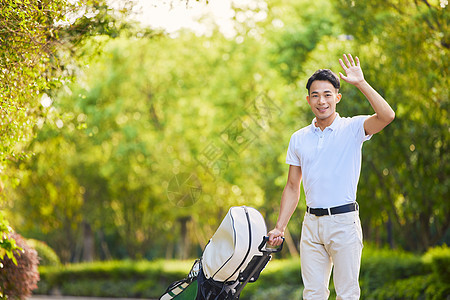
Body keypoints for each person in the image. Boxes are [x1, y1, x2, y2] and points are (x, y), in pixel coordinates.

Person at [268, 54, 395, 299]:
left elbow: (387, 116)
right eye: (315, 95)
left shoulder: (353, 128)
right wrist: (280, 227)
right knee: (313, 293)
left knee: (347, 293)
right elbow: (293, 187)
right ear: (308, 100)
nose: (321, 101)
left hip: (344, 222)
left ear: (337, 97)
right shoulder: (299, 138)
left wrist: (361, 83)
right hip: (311, 225)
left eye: (327, 94)